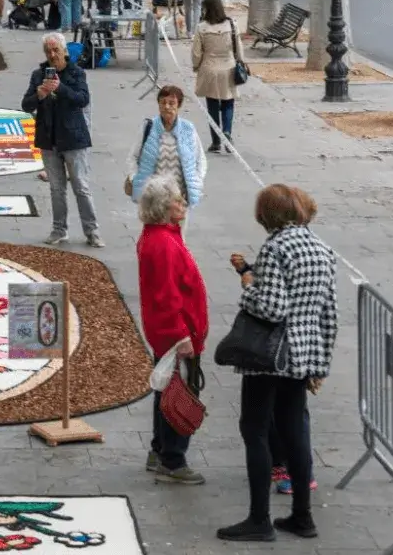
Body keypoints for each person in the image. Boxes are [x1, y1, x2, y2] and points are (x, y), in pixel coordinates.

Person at [217, 184, 338, 542]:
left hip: (268, 356)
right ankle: (302, 516)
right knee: (296, 431)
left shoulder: (276, 247)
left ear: (266, 214)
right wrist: (321, 366)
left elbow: (272, 307)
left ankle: (259, 519)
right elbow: (330, 314)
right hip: (303, 356)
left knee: (254, 430)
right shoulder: (322, 249)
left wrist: (248, 284)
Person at [136, 176, 209, 485]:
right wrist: (182, 336)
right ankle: (173, 459)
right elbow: (167, 296)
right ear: (165, 208)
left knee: (166, 389)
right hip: (176, 335)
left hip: (167, 332)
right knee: (180, 394)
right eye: (178, 200)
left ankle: (159, 450)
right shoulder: (165, 243)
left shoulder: (158, 236)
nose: (183, 204)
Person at [21, 33, 103, 248]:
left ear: (64, 51)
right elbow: (26, 105)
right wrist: (39, 94)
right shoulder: (38, 74)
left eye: (56, 50)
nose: (52, 54)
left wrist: (60, 88)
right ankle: (59, 230)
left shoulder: (76, 73)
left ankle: (92, 231)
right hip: (49, 138)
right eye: (48, 51)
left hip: (74, 138)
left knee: (81, 187)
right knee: (56, 189)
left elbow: (82, 99)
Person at [125, 85, 208, 228]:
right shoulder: (148, 127)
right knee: (154, 239)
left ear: (179, 105)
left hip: (179, 200)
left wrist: (197, 180)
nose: (167, 107)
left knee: (178, 241)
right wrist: (135, 177)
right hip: (154, 199)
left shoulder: (188, 129)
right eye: (163, 102)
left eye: (171, 103)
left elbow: (200, 160)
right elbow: (132, 157)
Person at [191, 0, 244, 153]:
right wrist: (241, 61)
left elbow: (196, 53)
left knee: (212, 105)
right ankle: (227, 132)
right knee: (228, 102)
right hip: (228, 67)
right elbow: (238, 48)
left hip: (209, 68)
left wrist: (195, 66)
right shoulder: (232, 24)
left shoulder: (202, 28)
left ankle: (215, 141)